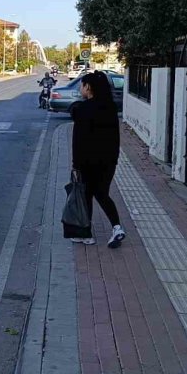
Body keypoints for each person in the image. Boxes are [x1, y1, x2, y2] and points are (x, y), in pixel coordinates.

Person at [70, 71, 126, 247]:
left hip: (87, 162)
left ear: (88, 87)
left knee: (86, 195)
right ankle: (117, 227)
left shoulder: (83, 109)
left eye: (82, 85)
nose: (80, 88)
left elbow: (78, 140)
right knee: (102, 193)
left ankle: (86, 234)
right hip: (108, 162)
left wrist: (76, 164)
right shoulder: (111, 108)